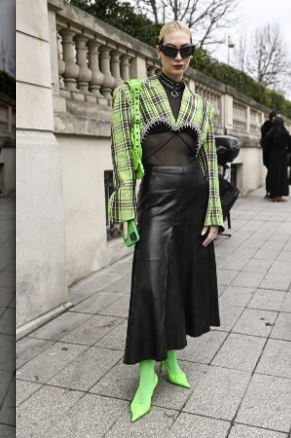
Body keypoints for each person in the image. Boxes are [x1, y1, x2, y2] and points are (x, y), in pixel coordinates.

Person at [107, 20, 223, 423]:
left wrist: (214, 215)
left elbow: (209, 159)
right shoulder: (131, 94)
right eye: (171, 50)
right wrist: (125, 210)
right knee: (151, 282)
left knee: (184, 278)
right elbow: (122, 155)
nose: (178, 58)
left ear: (192, 53)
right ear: (156, 50)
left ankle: (173, 359)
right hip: (155, 197)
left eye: (185, 50)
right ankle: (145, 375)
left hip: (193, 199)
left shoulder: (202, 104)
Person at [264, 116, 291, 202]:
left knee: (273, 175)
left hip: (272, 156)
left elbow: (266, 147)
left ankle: (274, 195)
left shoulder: (269, 134)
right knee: (282, 175)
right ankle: (279, 195)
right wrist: (287, 150)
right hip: (282, 155)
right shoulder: (285, 133)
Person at [261, 110, 279, 198]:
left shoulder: (278, 126)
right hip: (269, 154)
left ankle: (273, 190)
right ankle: (268, 190)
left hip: (275, 154)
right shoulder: (267, 126)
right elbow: (264, 140)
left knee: (273, 173)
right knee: (270, 173)